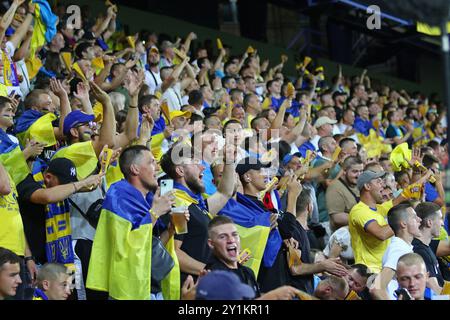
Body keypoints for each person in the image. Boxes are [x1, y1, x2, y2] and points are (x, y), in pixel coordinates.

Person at [87, 145, 175, 300]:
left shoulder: (148, 199)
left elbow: (148, 245)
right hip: (126, 290)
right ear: (135, 169)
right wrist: (155, 213)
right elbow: (124, 246)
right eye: (151, 162)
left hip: (150, 285)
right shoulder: (118, 195)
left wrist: (171, 229)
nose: (157, 167)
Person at [159, 143, 235, 285]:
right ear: (180, 170)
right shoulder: (176, 203)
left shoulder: (193, 203)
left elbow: (224, 193)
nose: (203, 167)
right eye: (195, 162)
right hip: (186, 286)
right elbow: (173, 251)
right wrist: (210, 271)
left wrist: (229, 160)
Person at [280, 189, 348, 294]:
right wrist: (323, 266)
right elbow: (295, 268)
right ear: (309, 206)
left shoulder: (299, 231)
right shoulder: (294, 231)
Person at [348, 170, 408, 273]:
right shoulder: (359, 210)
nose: (382, 185)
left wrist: (414, 187)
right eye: (378, 182)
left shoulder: (378, 208)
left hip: (383, 269)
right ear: (367, 186)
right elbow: (381, 234)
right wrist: (405, 220)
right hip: (369, 272)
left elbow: (397, 201)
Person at [371, 202, 422, 300]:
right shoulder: (398, 249)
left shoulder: (402, 246)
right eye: (414, 217)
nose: (419, 219)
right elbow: (376, 288)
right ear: (403, 223)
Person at [205, 216, 261, 297]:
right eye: (223, 237)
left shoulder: (248, 272)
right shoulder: (214, 276)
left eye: (234, 235)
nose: (231, 240)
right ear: (211, 244)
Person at [413, 202, 445, 295]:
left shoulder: (426, 247)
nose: (442, 224)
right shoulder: (419, 251)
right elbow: (435, 290)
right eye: (440, 219)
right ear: (429, 222)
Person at [326, 156, 363, 232]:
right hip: (343, 235)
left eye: (361, 171)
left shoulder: (359, 184)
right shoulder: (335, 188)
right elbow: (337, 218)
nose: (359, 175)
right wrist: (364, 219)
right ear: (344, 171)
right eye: (355, 171)